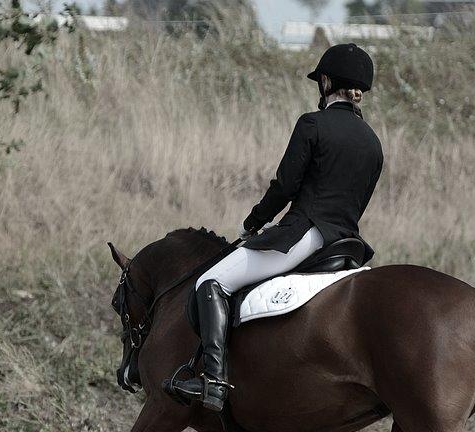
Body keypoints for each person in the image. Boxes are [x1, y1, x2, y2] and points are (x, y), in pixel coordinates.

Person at [165, 43, 385, 412]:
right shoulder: (373, 143)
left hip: (305, 235)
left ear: (326, 82)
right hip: (346, 245)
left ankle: (214, 381)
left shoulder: (312, 124)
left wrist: (253, 223)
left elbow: (285, 186)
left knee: (211, 282)